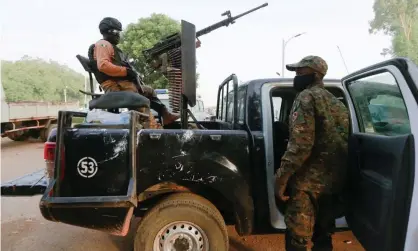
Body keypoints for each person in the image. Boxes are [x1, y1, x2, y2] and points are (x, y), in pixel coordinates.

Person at [275, 55, 349, 251]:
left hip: (305, 185)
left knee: (297, 238)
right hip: (331, 184)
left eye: (300, 72)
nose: (296, 76)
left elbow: (300, 145)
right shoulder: (338, 103)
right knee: (323, 235)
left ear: (316, 75)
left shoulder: (306, 97)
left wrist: (281, 179)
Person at [89, 17, 180, 128]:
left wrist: (132, 74)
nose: (118, 35)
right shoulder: (103, 44)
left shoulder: (113, 48)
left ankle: (166, 115)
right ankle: (153, 129)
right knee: (139, 101)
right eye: (116, 32)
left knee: (150, 91)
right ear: (109, 31)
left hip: (123, 83)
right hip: (115, 85)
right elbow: (103, 66)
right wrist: (126, 72)